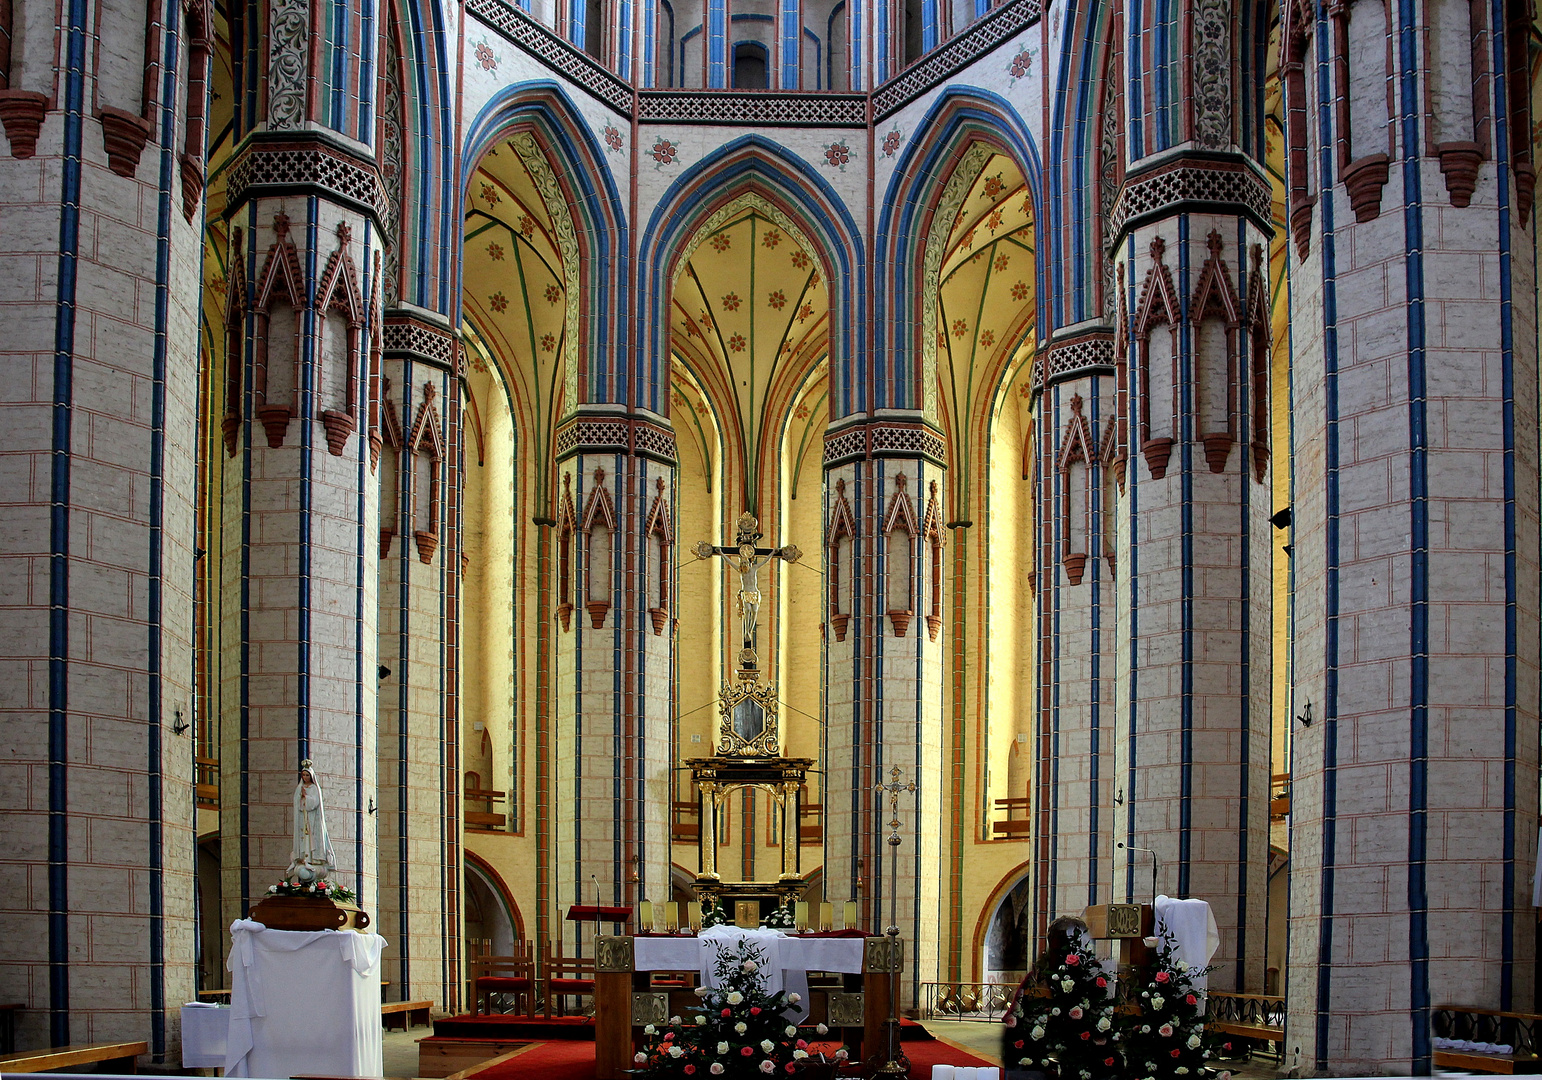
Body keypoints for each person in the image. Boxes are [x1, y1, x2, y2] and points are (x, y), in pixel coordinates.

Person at [286, 759, 336, 883]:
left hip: (313, 821)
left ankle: (314, 859)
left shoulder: (314, 788)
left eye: (307, 775)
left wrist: (306, 797)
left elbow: (314, 803)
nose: (305, 777)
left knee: (311, 839)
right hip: (303, 820)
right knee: (304, 839)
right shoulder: (300, 788)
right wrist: (301, 797)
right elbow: (298, 805)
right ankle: (303, 859)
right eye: (303, 775)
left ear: (311, 776)